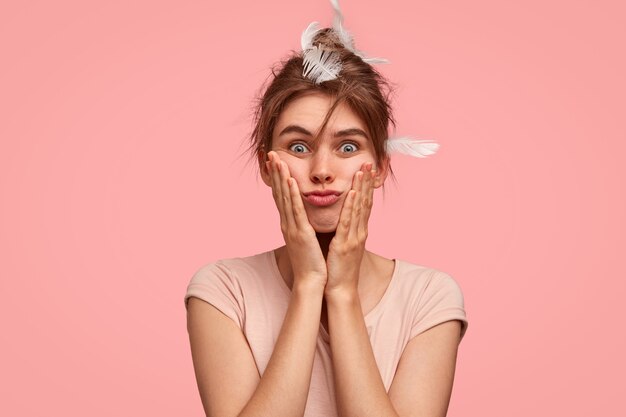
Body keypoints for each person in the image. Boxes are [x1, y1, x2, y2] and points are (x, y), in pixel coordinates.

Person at [184, 2, 468, 416]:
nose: (321, 171)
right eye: (298, 147)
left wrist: (341, 292)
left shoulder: (430, 297)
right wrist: (308, 284)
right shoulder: (223, 291)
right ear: (267, 166)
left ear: (379, 169)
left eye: (348, 147)